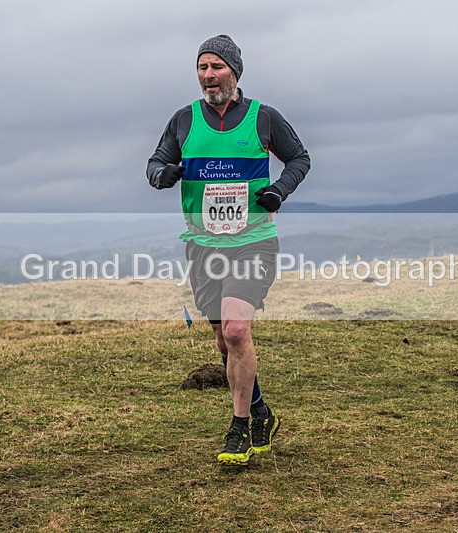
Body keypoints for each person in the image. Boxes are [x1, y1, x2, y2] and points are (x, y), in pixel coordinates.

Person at [146, 35, 310, 464]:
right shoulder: (184, 120)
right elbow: (155, 163)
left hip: (253, 240)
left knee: (237, 331)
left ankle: (238, 427)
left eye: (216, 66)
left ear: (234, 71)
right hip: (202, 245)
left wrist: (279, 190)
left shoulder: (263, 118)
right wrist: (163, 175)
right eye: (201, 67)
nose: (208, 75)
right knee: (222, 339)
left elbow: (300, 159)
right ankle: (259, 408)